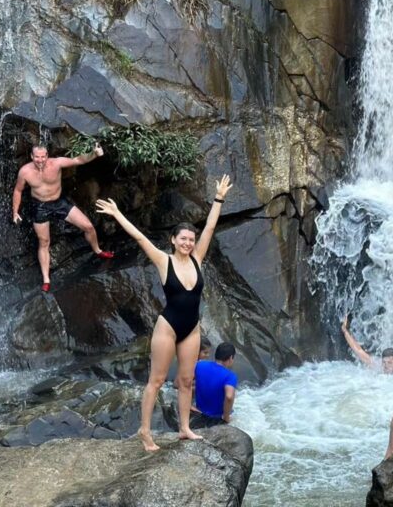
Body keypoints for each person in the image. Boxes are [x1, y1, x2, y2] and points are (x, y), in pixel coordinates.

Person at [95, 174, 233, 452]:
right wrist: (117, 213)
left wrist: (219, 198)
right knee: (156, 380)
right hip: (168, 326)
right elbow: (139, 236)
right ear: (173, 240)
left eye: (191, 240)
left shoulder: (197, 258)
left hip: (191, 328)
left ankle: (184, 428)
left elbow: (209, 228)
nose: (188, 243)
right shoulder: (163, 260)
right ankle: (144, 432)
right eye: (183, 239)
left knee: (185, 380)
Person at [12, 144, 114, 292]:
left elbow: (78, 160)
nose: (40, 160)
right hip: (39, 207)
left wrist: (94, 153)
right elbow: (18, 190)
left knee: (88, 226)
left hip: (59, 203)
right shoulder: (25, 172)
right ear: (31, 157)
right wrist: (15, 212)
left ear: (47, 155)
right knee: (44, 241)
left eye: (43, 156)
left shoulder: (57, 163)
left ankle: (98, 250)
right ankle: (46, 280)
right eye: (37, 157)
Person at [191, 342, 238, 428]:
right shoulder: (230, 376)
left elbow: (184, 382)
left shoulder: (199, 365)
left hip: (199, 412)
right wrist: (226, 417)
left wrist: (189, 405)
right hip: (216, 419)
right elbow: (229, 397)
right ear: (231, 358)